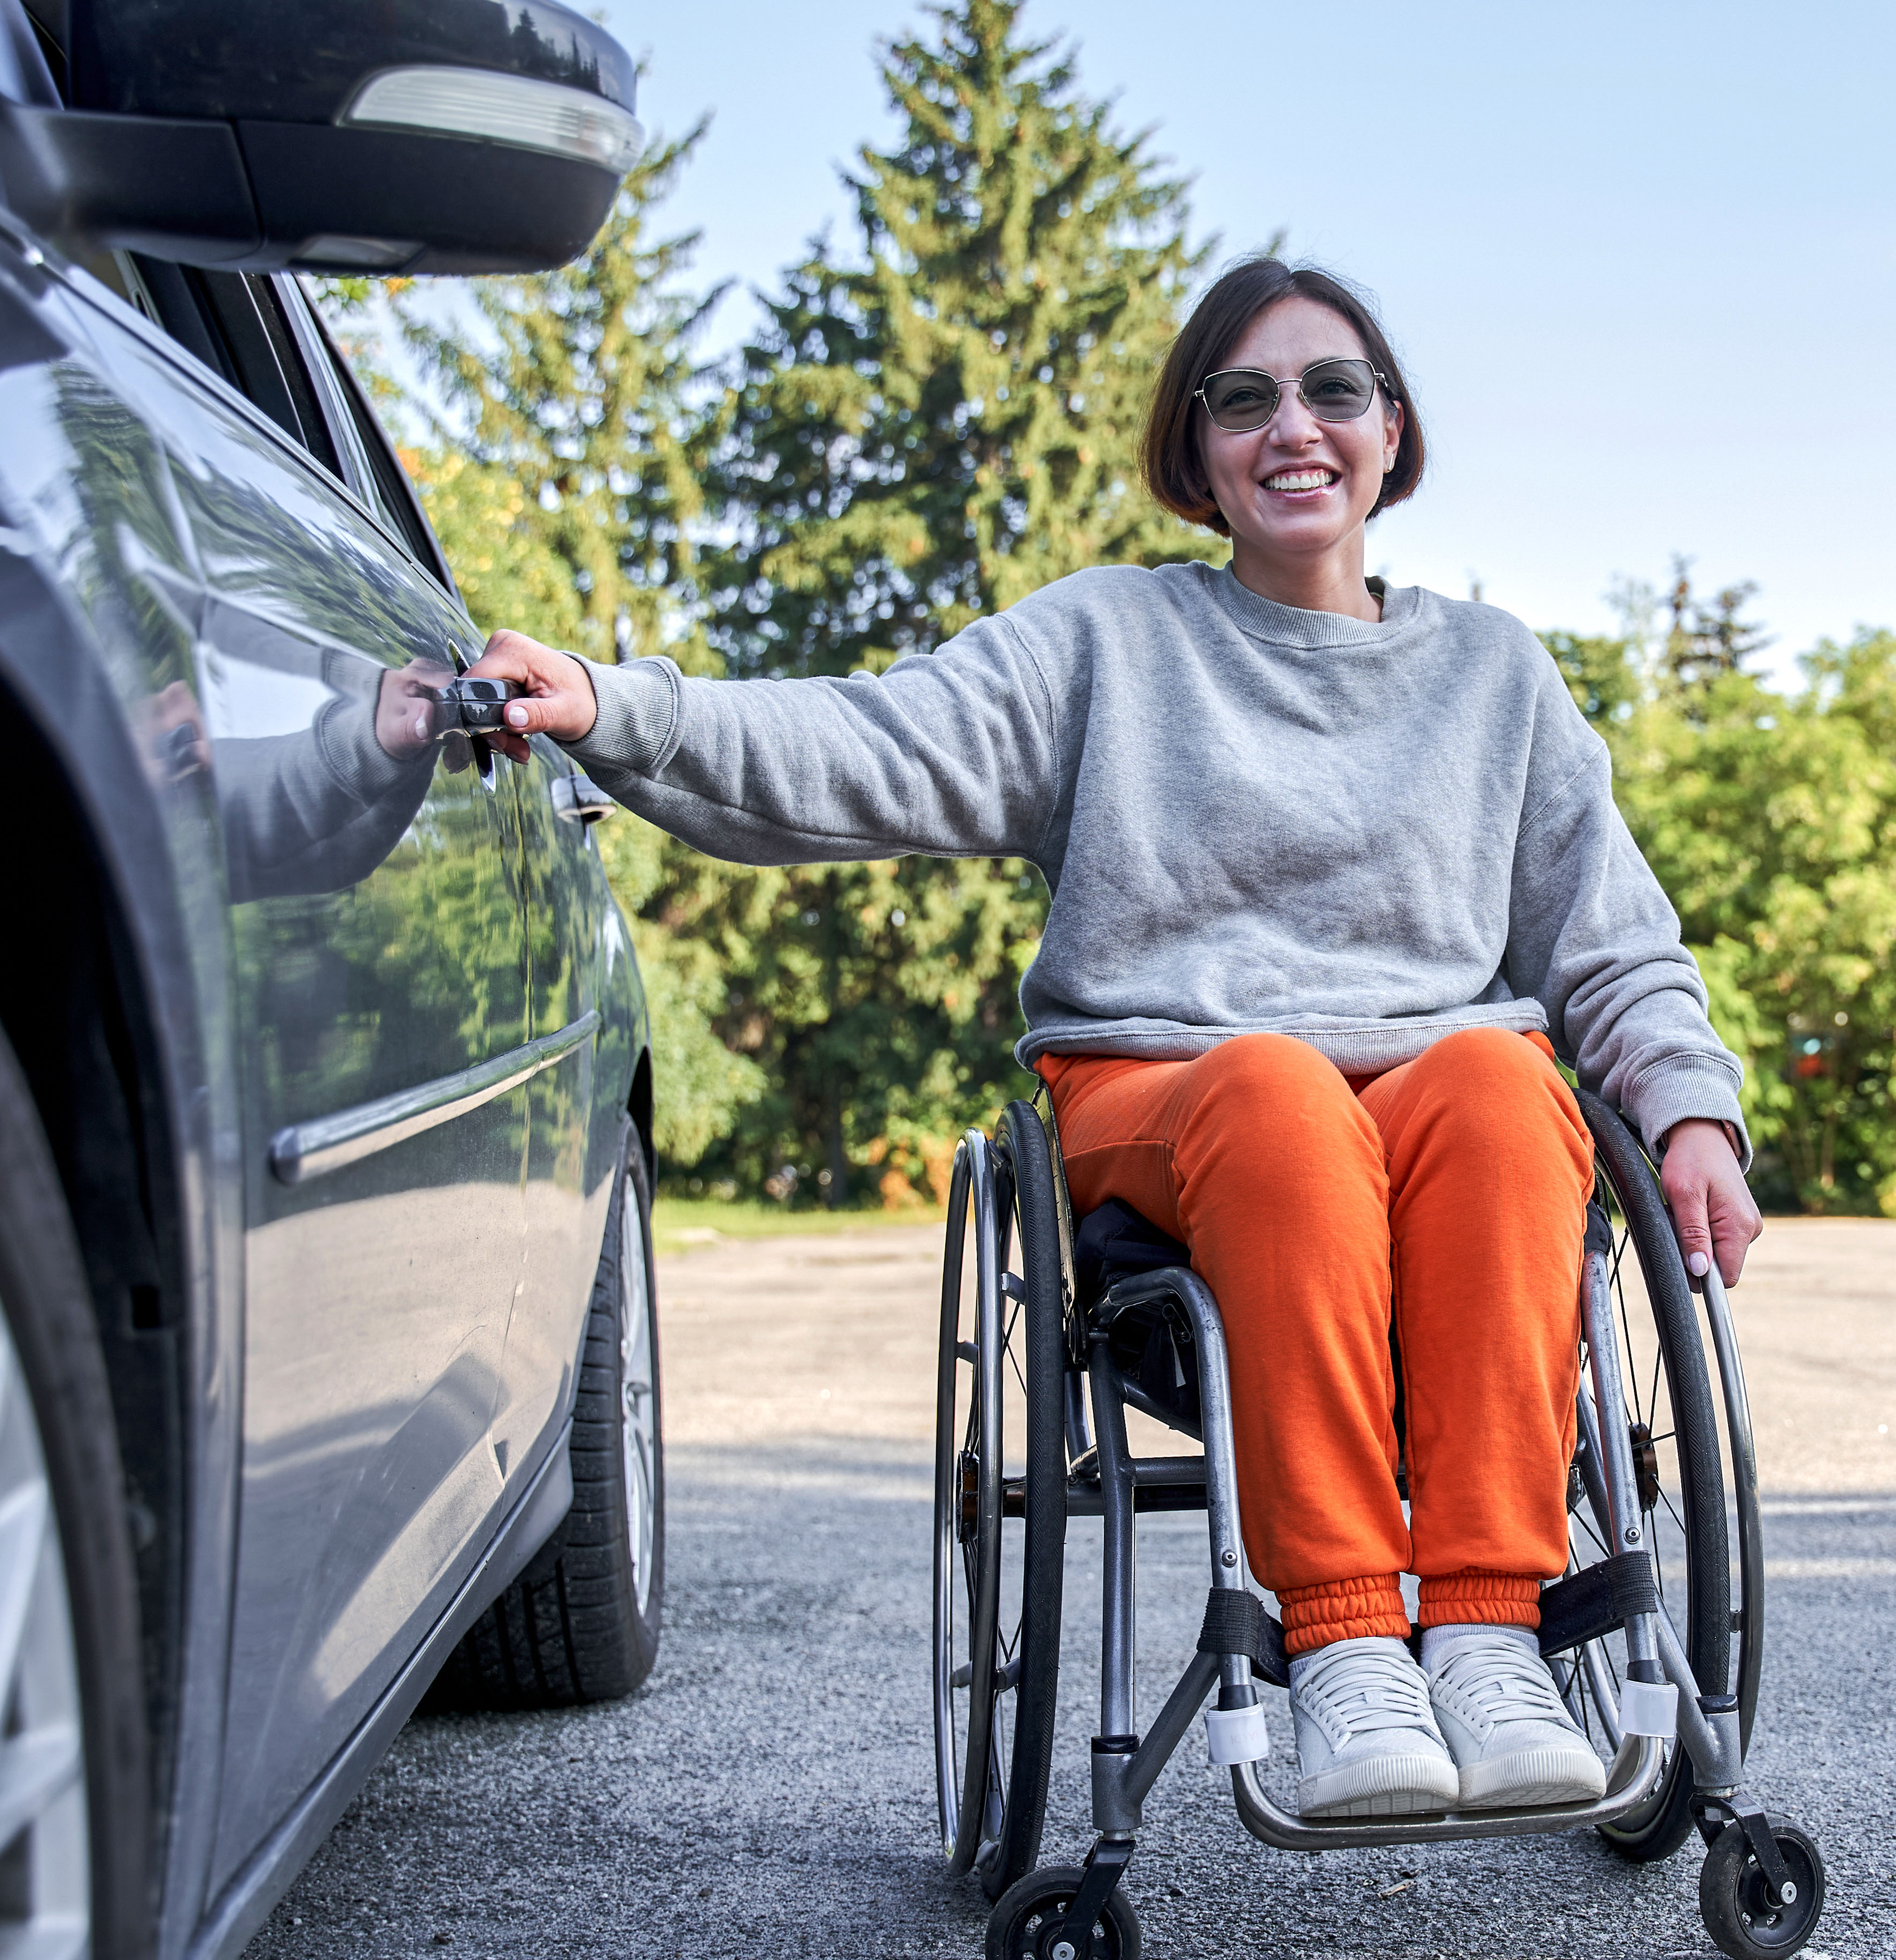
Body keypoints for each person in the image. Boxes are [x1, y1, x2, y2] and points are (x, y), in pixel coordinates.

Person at [470, 258, 1761, 1818]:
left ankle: (1488, 1631)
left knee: (1501, 1078)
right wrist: (618, 706)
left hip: (1433, 1119)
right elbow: (870, 745)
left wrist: (1688, 1111)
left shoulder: (1496, 676)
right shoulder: (1108, 646)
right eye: (1246, 398)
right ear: (1197, 449)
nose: (1295, 426)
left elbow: (1614, 940)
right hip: (1173, 1107)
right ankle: (1348, 1646)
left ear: (1393, 432)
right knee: (1284, 1091)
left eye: (1332, 389)